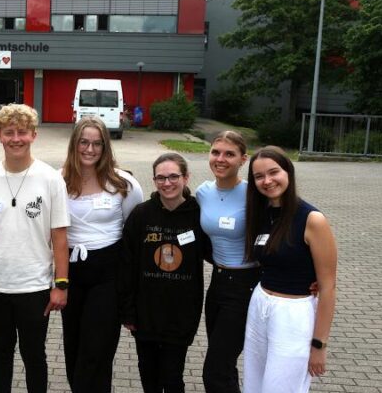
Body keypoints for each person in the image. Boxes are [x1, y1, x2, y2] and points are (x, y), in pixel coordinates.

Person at [0, 103, 70, 393]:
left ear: (34, 135)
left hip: (34, 287)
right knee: (1, 352)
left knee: (34, 355)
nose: (16, 139)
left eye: (22, 132)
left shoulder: (50, 179)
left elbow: (60, 237)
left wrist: (60, 284)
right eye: (9, 132)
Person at [242, 146, 337, 393]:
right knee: (254, 385)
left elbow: (328, 288)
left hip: (293, 315)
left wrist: (319, 345)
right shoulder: (261, 213)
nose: (267, 181)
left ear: (288, 172)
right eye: (259, 176)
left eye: (274, 172)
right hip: (260, 306)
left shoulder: (312, 219)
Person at [59, 116, 143, 392]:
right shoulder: (57, 181)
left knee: (97, 349)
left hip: (108, 275)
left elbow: (134, 235)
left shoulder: (124, 184)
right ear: (74, 144)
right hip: (71, 273)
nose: (90, 149)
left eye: (97, 143)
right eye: (84, 142)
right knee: (73, 346)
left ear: (105, 147)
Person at [118, 153, 210, 393]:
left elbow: (220, 253)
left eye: (173, 177)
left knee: (172, 378)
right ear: (154, 180)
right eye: (160, 178)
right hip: (145, 313)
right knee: (149, 376)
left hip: (180, 315)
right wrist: (128, 310)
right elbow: (127, 264)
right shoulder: (141, 215)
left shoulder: (198, 216)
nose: (167, 183)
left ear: (186, 178)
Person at [196, 130, 259, 393]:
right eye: (216, 152)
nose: (220, 159)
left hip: (245, 285)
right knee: (225, 363)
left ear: (243, 159)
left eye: (229, 154)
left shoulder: (254, 194)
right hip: (217, 284)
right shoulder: (202, 192)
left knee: (216, 370)